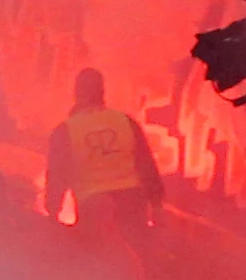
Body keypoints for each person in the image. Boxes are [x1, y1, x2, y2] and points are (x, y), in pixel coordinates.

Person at [46, 65, 165, 237]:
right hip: (132, 204)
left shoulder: (65, 130)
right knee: (132, 255)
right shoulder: (125, 122)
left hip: (94, 208)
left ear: (76, 93)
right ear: (102, 93)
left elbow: (57, 176)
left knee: (97, 259)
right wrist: (156, 204)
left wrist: (52, 213)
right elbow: (146, 165)